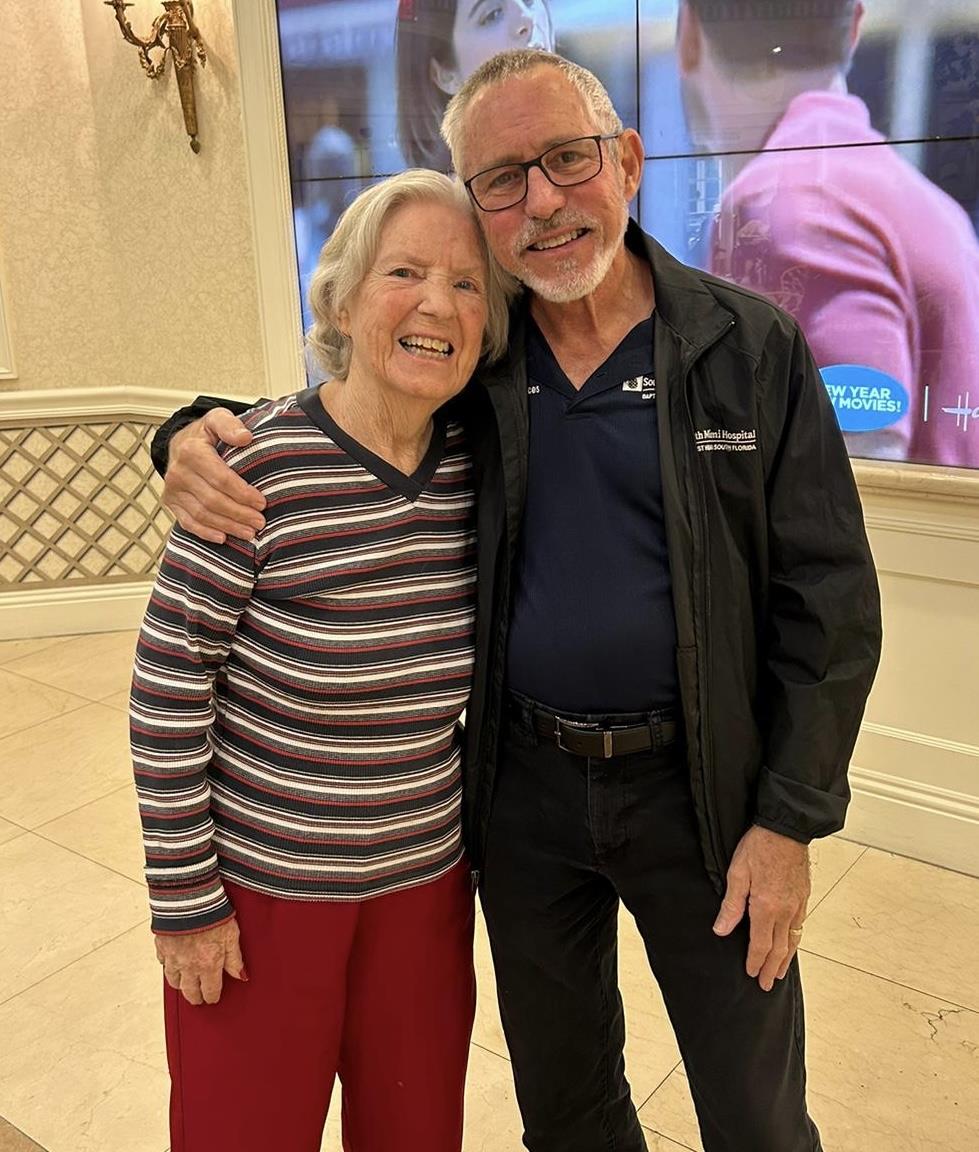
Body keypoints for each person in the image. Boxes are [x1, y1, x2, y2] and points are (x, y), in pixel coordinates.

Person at [152, 49, 882, 1152]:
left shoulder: (747, 351)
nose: (541, 201)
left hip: (704, 792)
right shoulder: (478, 374)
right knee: (568, 1104)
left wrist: (788, 820)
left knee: (754, 1108)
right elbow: (343, 412)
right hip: (523, 800)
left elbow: (828, 607)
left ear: (626, 162)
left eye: (565, 160)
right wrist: (184, 432)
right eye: (502, 178)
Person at [131, 169, 512, 1152]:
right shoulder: (253, 466)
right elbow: (170, 685)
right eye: (406, 272)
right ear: (339, 299)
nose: (439, 304)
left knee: (416, 1133)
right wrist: (184, 902)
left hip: (424, 891)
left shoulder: (481, 472)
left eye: (469, 284)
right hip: (263, 896)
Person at [677, 0, 979, 468]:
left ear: (688, 32)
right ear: (855, 23)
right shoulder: (928, 205)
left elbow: (852, 489)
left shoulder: (787, 202)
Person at [396, 0, 554, 169]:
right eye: (492, 14)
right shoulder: (450, 192)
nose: (527, 19)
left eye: (529, 1)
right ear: (446, 75)